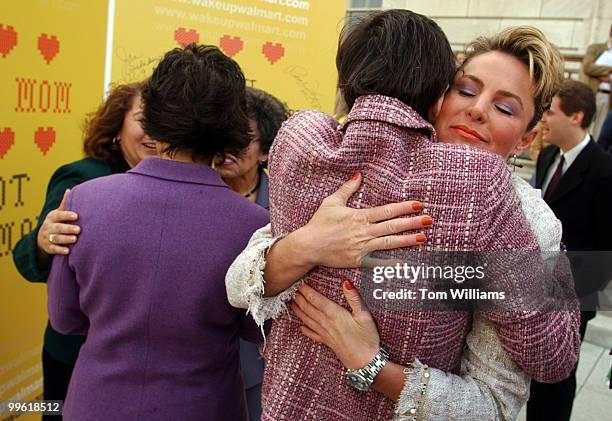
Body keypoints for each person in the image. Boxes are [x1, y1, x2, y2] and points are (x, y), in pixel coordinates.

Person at [226, 12, 579, 421]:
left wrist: (372, 365)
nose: (478, 110)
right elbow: (238, 283)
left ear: (528, 138)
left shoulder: (529, 224)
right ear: (437, 94)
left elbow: (497, 402)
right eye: (465, 90)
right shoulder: (355, 161)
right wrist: (308, 244)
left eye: (503, 107)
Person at [46, 44, 269, 420]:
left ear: (152, 116)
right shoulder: (253, 225)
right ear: (232, 127)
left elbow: (65, 319)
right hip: (204, 407)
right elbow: (255, 330)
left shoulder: (83, 202)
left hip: (97, 404)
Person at [11, 81, 155, 415]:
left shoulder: (174, 184)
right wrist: (43, 241)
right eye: (142, 119)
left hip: (140, 358)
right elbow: (28, 255)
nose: (152, 133)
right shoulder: (82, 178)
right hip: (75, 352)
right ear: (117, 127)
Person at [531, 79, 612, 421]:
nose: (542, 119)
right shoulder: (548, 155)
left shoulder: (604, 170)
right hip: (535, 283)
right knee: (533, 375)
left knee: (556, 379)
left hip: (573, 296)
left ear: (577, 116)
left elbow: (606, 247)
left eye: (550, 111)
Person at [216, 87, 289, 421]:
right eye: (222, 135)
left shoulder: (285, 204)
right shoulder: (200, 195)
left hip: (259, 359)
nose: (227, 148)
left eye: (242, 138)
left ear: (264, 151)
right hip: (200, 356)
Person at [580, 24, 612, 140]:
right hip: (592, 92)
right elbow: (588, 67)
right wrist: (608, 70)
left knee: (599, 131)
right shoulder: (595, 48)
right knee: (582, 126)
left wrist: (606, 75)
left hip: (608, 97)